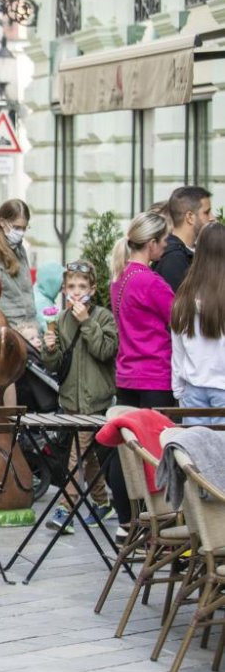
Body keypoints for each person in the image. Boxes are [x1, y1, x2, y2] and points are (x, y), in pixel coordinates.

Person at [108, 211, 176, 539]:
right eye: (163, 242)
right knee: (155, 452)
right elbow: (179, 319)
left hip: (128, 374)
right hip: (154, 374)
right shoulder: (149, 281)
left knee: (128, 450)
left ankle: (126, 517)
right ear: (151, 245)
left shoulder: (119, 280)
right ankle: (157, 519)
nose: (165, 248)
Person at [41, 260, 118, 533]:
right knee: (86, 453)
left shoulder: (104, 318)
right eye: (71, 286)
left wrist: (86, 322)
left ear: (93, 289)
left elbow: (105, 351)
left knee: (76, 453)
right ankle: (101, 502)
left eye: (82, 286)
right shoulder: (60, 320)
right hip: (71, 400)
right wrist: (49, 349)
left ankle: (65, 509)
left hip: (95, 400)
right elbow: (53, 364)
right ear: (63, 289)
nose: (76, 292)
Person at [171, 221, 225, 424]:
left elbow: (178, 349)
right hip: (222, 388)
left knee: (193, 453)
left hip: (192, 389)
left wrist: (178, 389)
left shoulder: (184, 297)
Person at [0, 200, 36, 328]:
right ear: (2, 222)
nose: (20, 233)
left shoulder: (20, 249)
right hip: (6, 330)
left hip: (27, 327)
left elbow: (27, 292)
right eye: (16, 227)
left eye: (24, 228)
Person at [155, 185, 215, 292]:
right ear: (190, 217)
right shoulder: (174, 259)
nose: (212, 218)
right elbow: (179, 306)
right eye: (206, 212)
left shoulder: (187, 252)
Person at [33, 261, 65, 333]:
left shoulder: (38, 289)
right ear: (51, 283)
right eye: (61, 283)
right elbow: (51, 332)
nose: (62, 287)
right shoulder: (43, 303)